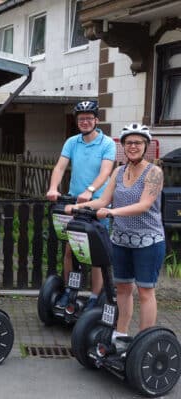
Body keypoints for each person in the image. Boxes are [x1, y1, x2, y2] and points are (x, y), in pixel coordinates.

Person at [65, 124, 165, 343]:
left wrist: (111, 212)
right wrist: (79, 207)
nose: (133, 146)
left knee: (145, 291)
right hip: (121, 240)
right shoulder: (119, 172)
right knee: (122, 289)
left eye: (138, 143)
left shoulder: (154, 172)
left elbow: (144, 204)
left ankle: (144, 341)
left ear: (145, 146)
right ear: (124, 147)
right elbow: (102, 200)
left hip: (148, 241)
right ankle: (120, 335)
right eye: (129, 143)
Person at [46, 100, 116, 311]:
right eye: (81, 118)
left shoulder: (107, 144)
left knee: (95, 255)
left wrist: (90, 190)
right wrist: (53, 187)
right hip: (73, 205)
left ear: (96, 120)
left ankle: (95, 297)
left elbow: (105, 172)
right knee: (71, 250)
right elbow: (59, 167)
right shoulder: (72, 142)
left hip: (96, 205)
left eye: (89, 118)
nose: (85, 122)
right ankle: (70, 290)